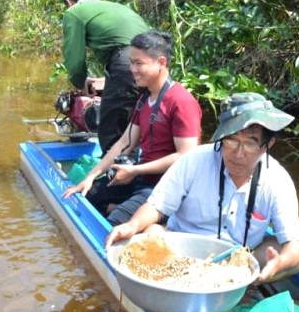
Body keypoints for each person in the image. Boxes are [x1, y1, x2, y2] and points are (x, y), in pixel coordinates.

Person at [106, 92, 299, 283]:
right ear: (221, 138)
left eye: (250, 143)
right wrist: (132, 225)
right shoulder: (195, 160)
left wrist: (279, 263)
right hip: (182, 255)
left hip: (237, 263)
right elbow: (157, 206)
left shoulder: (277, 179)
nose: (238, 154)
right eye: (231, 141)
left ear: (268, 144)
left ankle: (243, 286)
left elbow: (294, 243)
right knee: (151, 233)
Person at [62, 30, 202, 225]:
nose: (132, 69)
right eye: (131, 62)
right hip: (141, 178)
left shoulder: (181, 101)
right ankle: (126, 208)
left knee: (114, 225)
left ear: (161, 63)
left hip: (166, 188)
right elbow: (125, 142)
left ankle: (152, 219)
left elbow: (187, 156)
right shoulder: (145, 97)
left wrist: (135, 171)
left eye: (139, 63)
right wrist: (91, 176)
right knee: (86, 196)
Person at [61, 0, 150, 154]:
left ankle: (116, 176)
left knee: (112, 129)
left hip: (127, 63)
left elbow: (74, 59)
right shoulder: (116, 7)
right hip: (155, 63)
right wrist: (106, 80)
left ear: (69, 2)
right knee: (142, 120)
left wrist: (80, 83)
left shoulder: (74, 12)